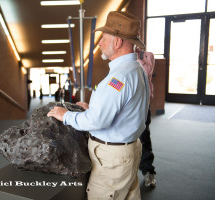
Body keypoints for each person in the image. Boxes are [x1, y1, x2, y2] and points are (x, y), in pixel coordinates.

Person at [47, 11, 150, 200]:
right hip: (128, 151)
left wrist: (65, 115)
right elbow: (127, 110)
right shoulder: (137, 70)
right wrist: (92, 109)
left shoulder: (119, 77)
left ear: (117, 42)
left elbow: (97, 121)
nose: (100, 43)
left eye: (103, 38)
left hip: (112, 159)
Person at [136, 49, 157, 187]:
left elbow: (146, 71)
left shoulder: (147, 55)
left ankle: (149, 172)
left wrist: (134, 57)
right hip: (127, 106)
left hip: (142, 105)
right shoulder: (121, 56)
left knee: (144, 139)